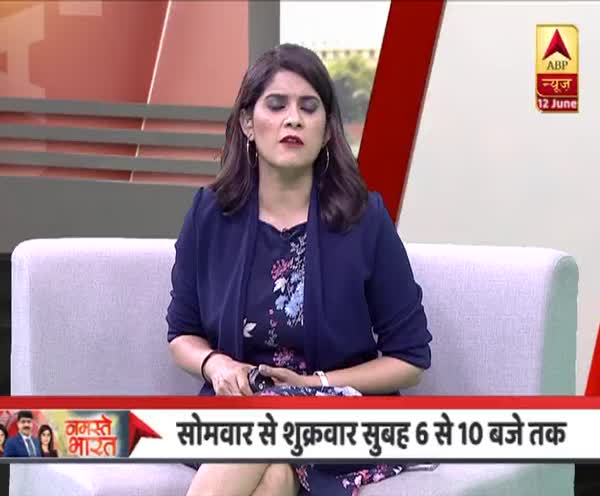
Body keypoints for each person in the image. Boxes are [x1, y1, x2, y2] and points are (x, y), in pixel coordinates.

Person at [166, 43, 432, 496]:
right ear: (248, 123)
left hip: (337, 420)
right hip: (237, 415)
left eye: (309, 108)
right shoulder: (210, 214)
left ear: (326, 131)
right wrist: (216, 364)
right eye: (277, 105)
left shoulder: (364, 219)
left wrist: (315, 384)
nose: (293, 119)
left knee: (265, 425)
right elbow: (182, 334)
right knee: (274, 474)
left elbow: (409, 359)